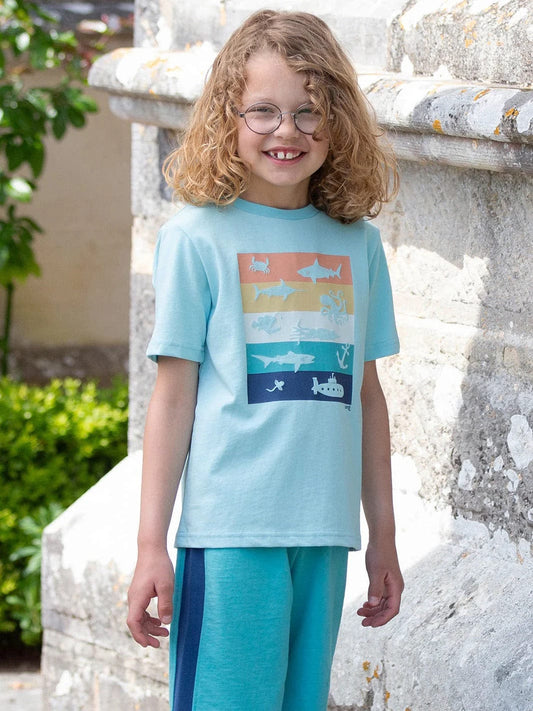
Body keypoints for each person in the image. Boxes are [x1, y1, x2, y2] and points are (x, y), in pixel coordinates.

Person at [127, 9, 404, 711]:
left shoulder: (358, 244)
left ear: (338, 121)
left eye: (310, 112)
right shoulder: (195, 237)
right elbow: (172, 399)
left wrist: (383, 536)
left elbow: (366, 397)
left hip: (325, 534)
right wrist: (151, 544)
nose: (288, 131)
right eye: (264, 111)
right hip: (229, 534)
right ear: (228, 117)